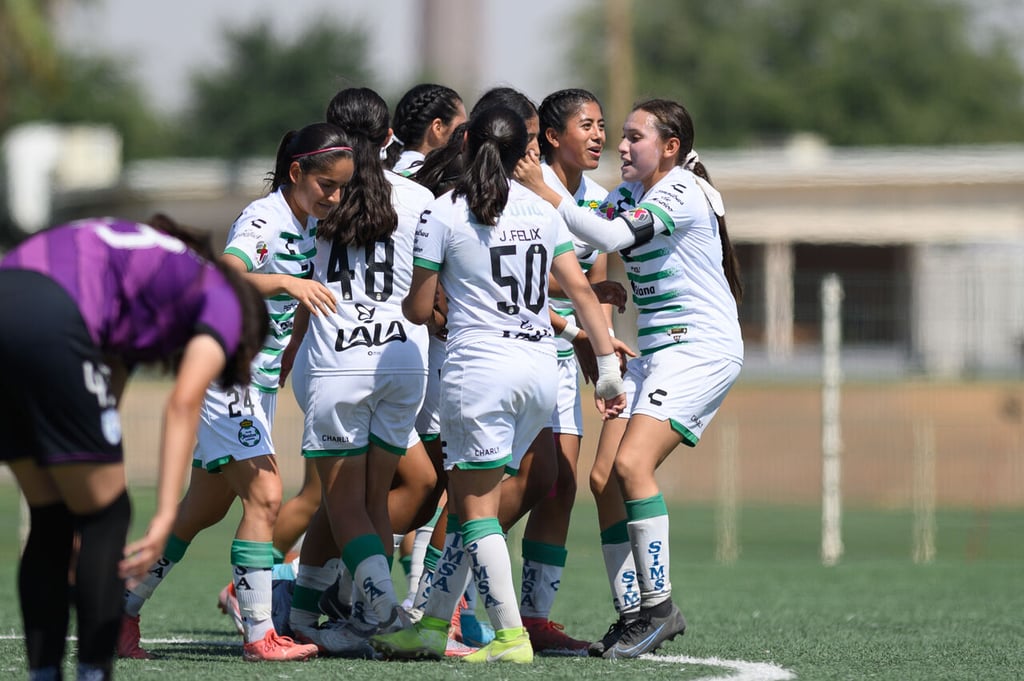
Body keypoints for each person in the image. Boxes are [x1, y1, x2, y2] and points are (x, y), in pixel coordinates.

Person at [370, 105, 627, 665]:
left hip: (479, 372)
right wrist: (606, 368)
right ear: (524, 154)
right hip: (540, 373)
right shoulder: (543, 208)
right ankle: (434, 623)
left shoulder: (443, 211)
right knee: (468, 505)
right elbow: (583, 293)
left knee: (476, 507)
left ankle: (511, 637)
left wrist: (436, 302)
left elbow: (417, 308)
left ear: (465, 148)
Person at [118, 122, 356, 663]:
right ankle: (259, 635)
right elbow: (224, 275)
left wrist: (290, 345)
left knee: (201, 509)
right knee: (267, 495)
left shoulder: (307, 222)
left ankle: (120, 608)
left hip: (258, 384)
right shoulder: (264, 218)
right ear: (296, 172)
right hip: (228, 378)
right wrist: (288, 284)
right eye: (326, 184)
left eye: (341, 187)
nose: (334, 197)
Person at [516, 98, 744, 659]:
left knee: (631, 466)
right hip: (659, 353)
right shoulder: (622, 196)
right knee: (602, 480)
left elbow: (612, 240)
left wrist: (548, 195)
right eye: (618, 134)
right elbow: (575, 248)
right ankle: (634, 613)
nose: (620, 145)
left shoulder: (681, 191)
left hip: (701, 352)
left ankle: (662, 609)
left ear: (670, 147)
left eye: (633, 137)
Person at [0, 215, 268, 681]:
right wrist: (166, 513)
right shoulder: (226, 297)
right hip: (53, 315)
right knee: (107, 515)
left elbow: (107, 380)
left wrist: (87, 458)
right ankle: (93, 672)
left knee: (51, 515)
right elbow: (183, 403)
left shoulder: (153, 266)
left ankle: (44, 673)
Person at [281, 87, 434, 658]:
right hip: (403, 357)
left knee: (340, 501)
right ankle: (329, 614)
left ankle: (381, 610)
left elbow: (294, 277)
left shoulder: (316, 192)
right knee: (371, 497)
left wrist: (290, 348)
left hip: (337, 358)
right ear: (389, 132)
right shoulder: (420, 197)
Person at [516, 87, 621, 655]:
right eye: (588, 125)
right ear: (552, 137)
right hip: (518, 352)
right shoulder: (524, 194)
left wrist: (603, 364)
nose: (600, 135)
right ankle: (445, 596)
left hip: (563, 358)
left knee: (559, 486)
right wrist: (583, 313)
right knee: (508, 482)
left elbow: (597, 291)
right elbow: (529, 281)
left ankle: (534, 617)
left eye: (602, 124)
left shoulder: (600, 201)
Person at [385, 83, 467, 176]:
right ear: (438, 128)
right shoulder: (433, 181)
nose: (465, 136)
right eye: (461, 128)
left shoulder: (380, 174)